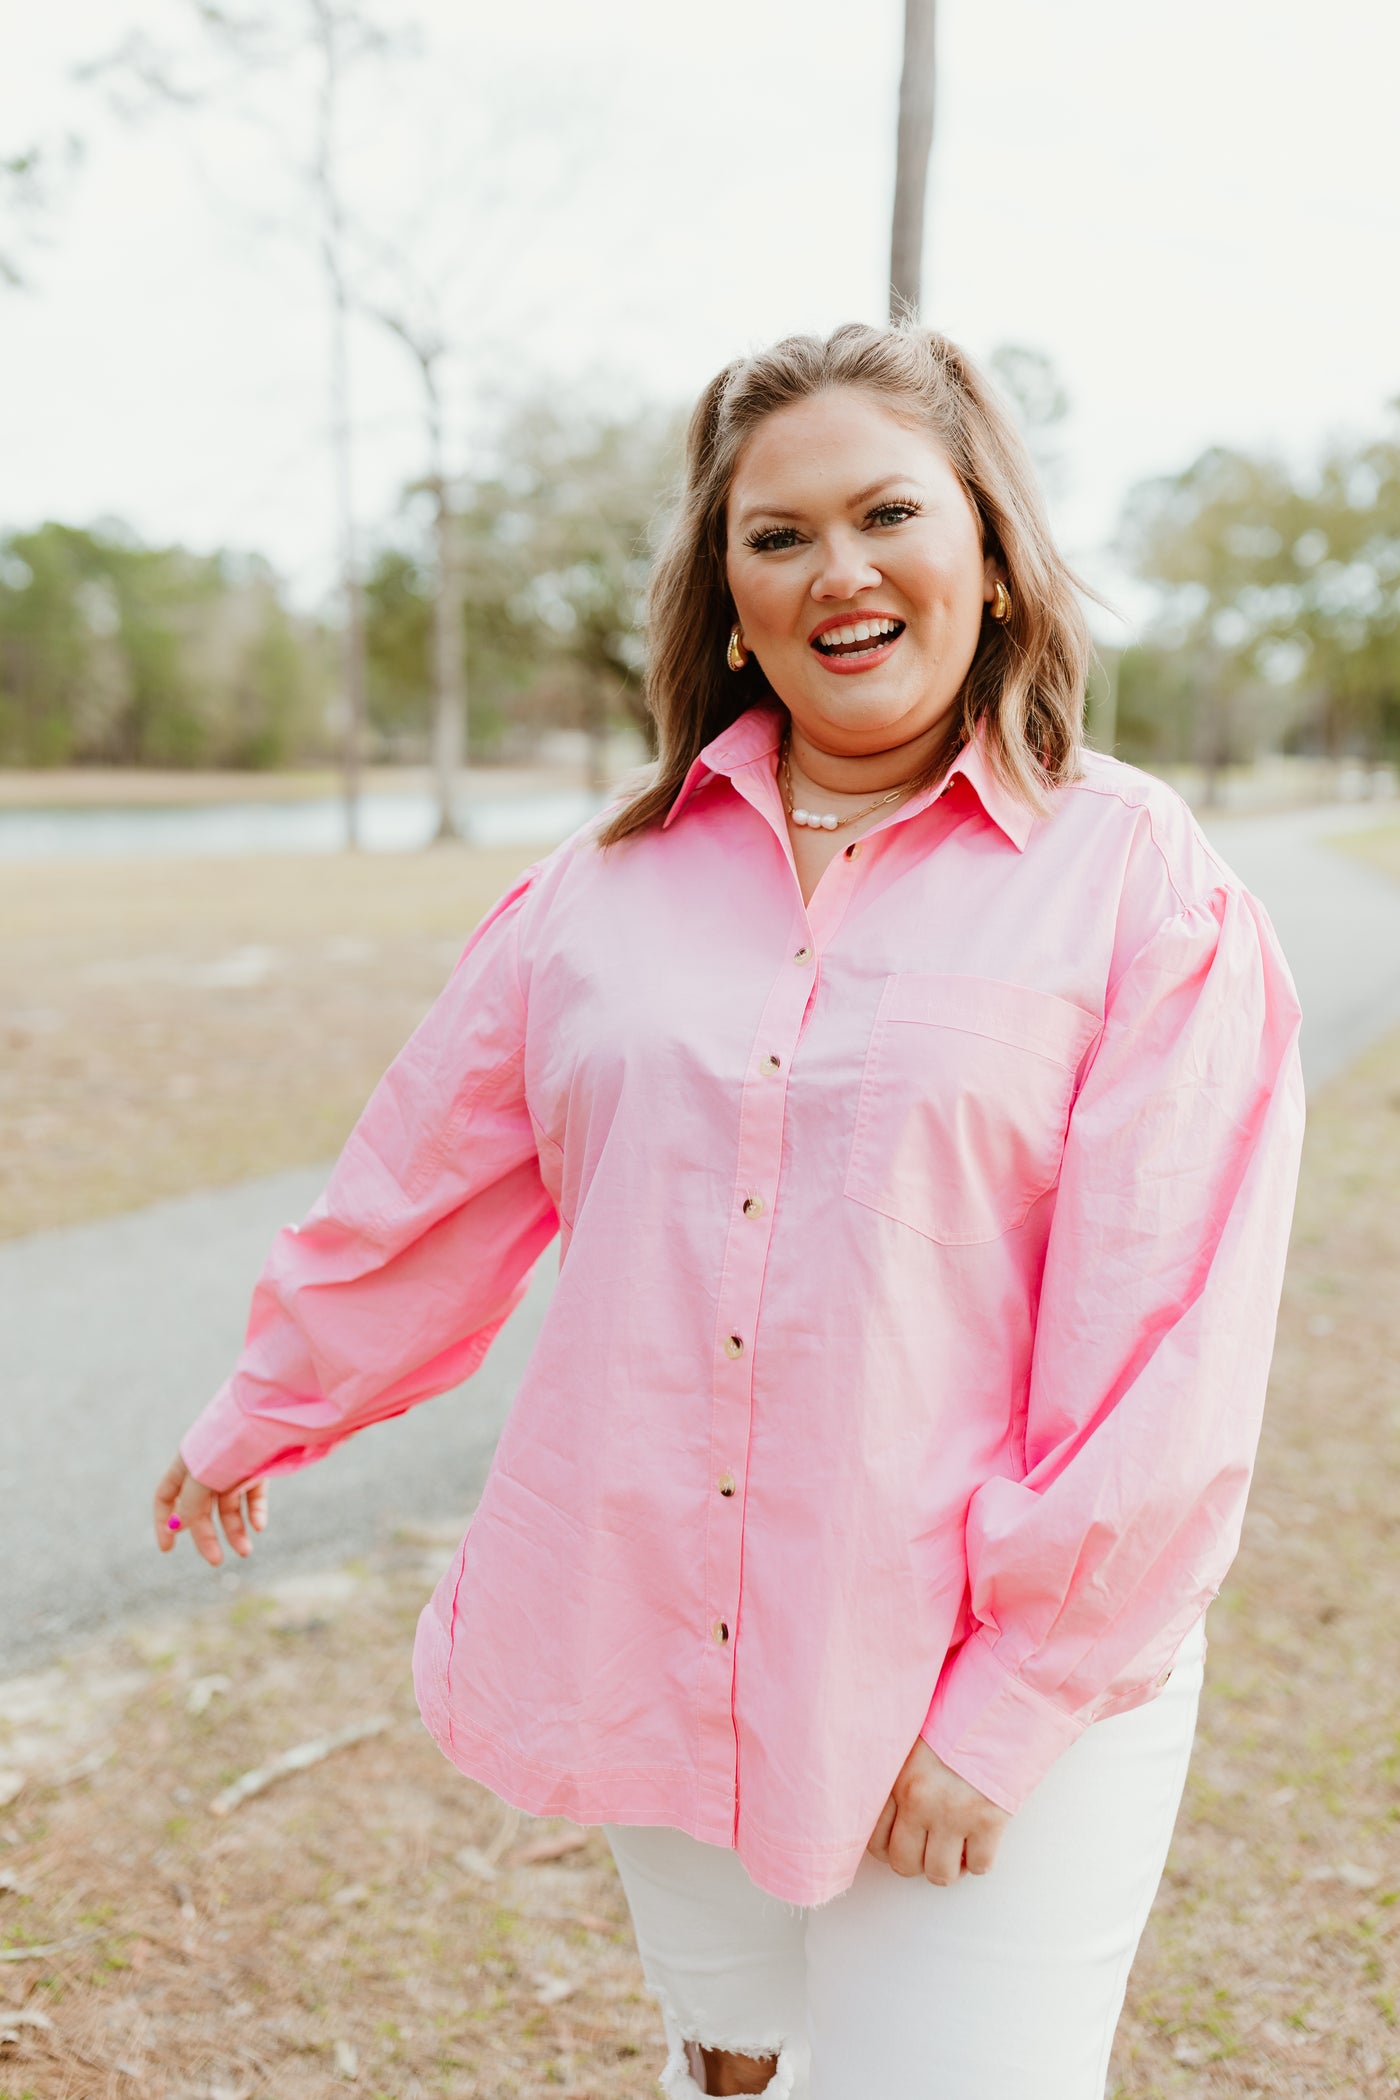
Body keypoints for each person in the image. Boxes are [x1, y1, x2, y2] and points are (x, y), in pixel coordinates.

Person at [154, 322, 1306, 2099]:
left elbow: (1169, 1342)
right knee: (735, 2072)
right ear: (730, 595)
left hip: (970, 1687)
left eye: (886, 513)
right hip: (654, 1637)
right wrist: (268, 1406)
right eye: (776, 536)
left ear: (991, 558)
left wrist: (1008, 1707)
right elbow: (424, 1186)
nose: (836, 569)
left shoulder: (1139, 883)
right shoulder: (598, 891)